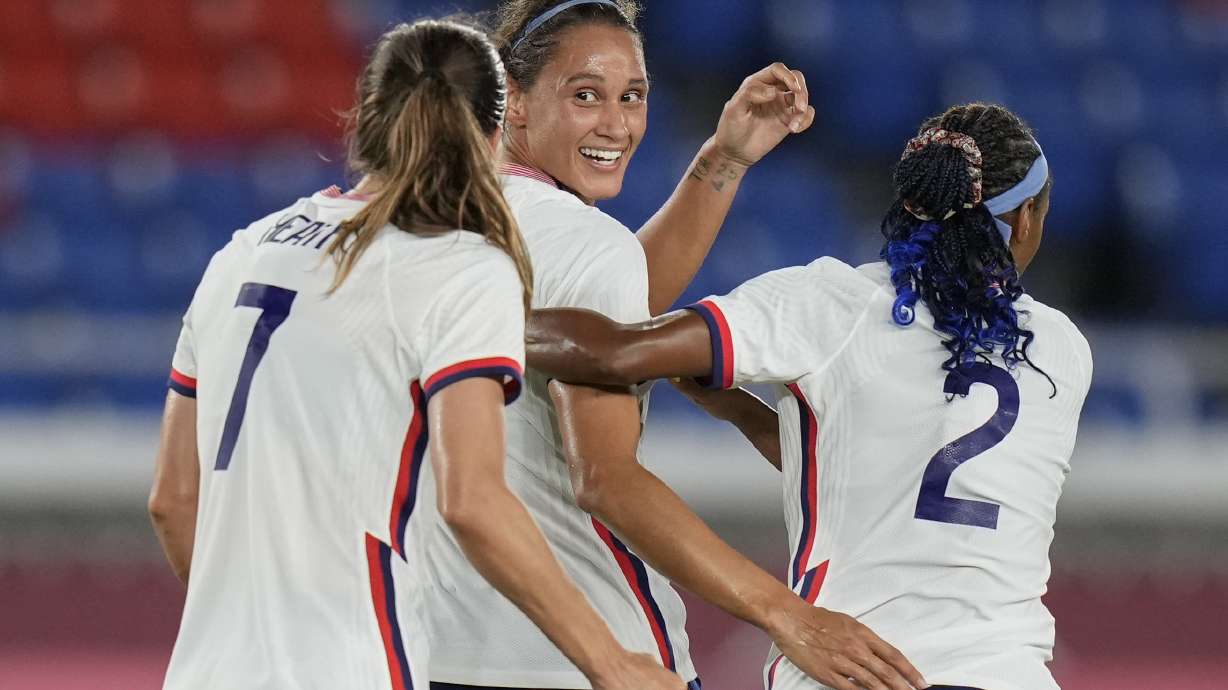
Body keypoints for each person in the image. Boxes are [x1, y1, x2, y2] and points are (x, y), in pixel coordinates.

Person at [148, 18, 682, 690]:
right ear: (496, 135)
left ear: (367, 121)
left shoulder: (242, 252)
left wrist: (255, 632)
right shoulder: (460, 271)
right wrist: (611, 662)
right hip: (353, 666)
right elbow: (473, 501)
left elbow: (172, 499)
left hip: (206, 670)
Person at [424, 2, 923, 690]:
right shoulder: (582, 245)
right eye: (585, 95)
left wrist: (723, 161)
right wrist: (788, 616)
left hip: (431, 646)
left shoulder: (420, 223)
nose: (616, 124)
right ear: (510, 101)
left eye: (633, 97)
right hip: (595, 655)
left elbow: (611, 305)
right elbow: (604, 478)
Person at [526, 102, 1093, 690]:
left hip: (852, 669)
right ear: (1026, 219)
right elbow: (901, 471)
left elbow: (610, 352)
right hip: (1007, 674)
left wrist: (459, 313)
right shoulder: (1062, 351)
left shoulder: (834, 303)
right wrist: (744, 416)